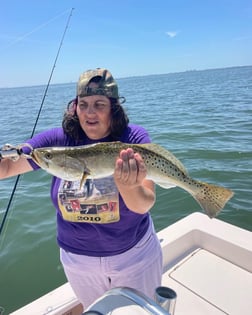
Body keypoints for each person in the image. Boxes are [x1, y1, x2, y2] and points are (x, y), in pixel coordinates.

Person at [0, 68, 162, 310]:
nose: (89, 112)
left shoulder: (133, 139)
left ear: (113, 107)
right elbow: (5, 169)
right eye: (83, 104)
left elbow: (143, 204)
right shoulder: (56, 142)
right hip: (78, 261)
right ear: (74, 106)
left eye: (99, 104)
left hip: (133, 257)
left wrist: (127, 186)